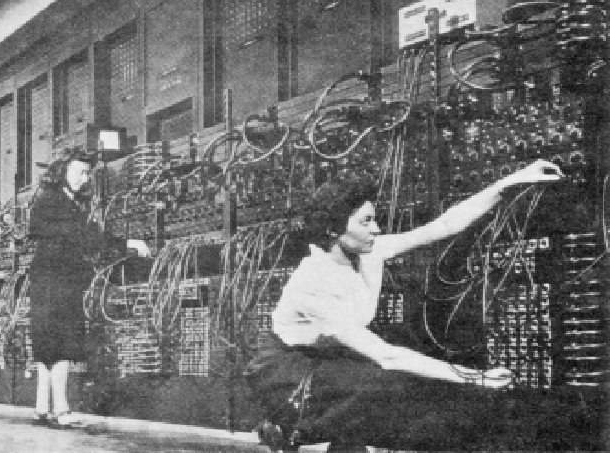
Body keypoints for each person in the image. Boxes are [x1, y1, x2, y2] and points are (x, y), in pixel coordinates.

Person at [246, 159, 604, 451]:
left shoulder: (369, 251)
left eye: (375, 219)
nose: (377, 228)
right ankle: (291, 425)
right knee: (387, 384)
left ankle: (348, 445)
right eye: (366, 221)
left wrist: (511, 181)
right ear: (332, 231)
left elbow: (443, 225)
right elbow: (386, 356)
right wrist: (474, 378)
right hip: (290, 369)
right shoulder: (314, 281)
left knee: (407, 369)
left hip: (334, 354)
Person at [27, 147, 148, 428]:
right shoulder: (53, 200)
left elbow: (84, 235)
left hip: (53, 278)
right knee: (59, 343)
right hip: (54, 279)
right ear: (62, 172)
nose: (85, 178)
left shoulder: (64, 202)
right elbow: (84, 235)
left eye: (87, 173)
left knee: (48, 344)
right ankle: (61, 410)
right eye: (80, 172)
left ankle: (42, 408)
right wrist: (127, 244)